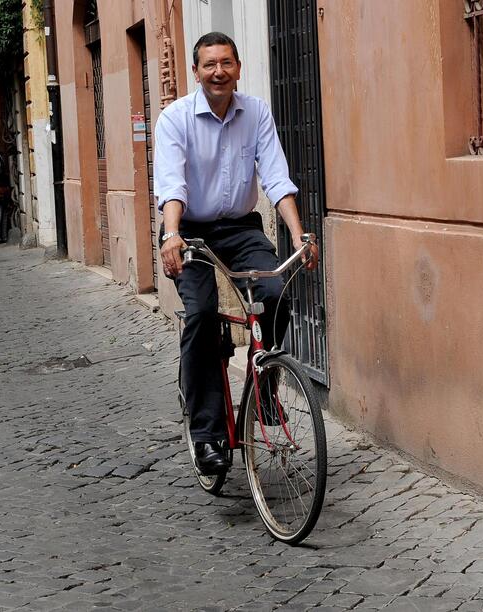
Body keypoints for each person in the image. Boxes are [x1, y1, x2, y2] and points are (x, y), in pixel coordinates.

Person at [155, 32, 319, 475]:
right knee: (203, 315)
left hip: (241, 228)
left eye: (226, 63)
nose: (218, 72)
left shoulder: (256, 113)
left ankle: (263, 394)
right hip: (190, 230)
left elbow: (277, 178)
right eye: (209, 64)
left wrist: (300, 235)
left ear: (239, 68)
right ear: (196, 72)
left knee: (275, 291)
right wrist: (171, 235)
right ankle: (207, 434)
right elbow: (173, 185)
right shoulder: (174, 120)